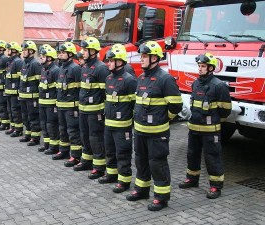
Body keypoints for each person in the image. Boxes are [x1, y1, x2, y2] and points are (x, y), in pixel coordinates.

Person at [125, 41, 182, 211]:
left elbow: (176, 106)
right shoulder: (141, 78)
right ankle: (141, 190)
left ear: (154, 58)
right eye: (141, 56)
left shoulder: (165, 79)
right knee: (141, 162)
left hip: (157, 133)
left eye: (144, 56)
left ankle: (161, 197)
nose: (141, 59)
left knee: (157, 164)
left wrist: (164, 119)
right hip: (140, 131)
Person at [178, 52, 231, 199]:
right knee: (192, 154)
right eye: (199, 66)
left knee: (212, 157)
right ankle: (192, 179)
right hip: (194, 129)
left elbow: (225, 110)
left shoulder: (219, 86)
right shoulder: (196, 83)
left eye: (203, 66)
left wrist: (214, 122)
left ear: (211, 68)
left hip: (210, 131)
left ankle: (215, 186)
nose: (200, 69)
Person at [98, 44, 137, 193]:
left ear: (120, 61)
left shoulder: (129, 80)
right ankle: (112, 175)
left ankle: (124, 180)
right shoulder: (108, 78)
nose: (108, 63)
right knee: (110, 150)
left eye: (111, 61)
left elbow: (135, 104)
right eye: (108, 61)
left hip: (123, 125)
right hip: (109, 123)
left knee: (123, 153)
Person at [73, 37, 109, 180]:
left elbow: (105, 93)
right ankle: (86, 161)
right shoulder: (85, 67)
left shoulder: (101, 68)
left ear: (93, 51)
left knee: (96, 138)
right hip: (84, 110)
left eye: (85, 50)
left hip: (95, 112)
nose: (82, 52)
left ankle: (99, 167)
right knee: (85, 136)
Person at [54, 42, 83, 165]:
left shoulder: (75, 68)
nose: (60, 55)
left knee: (73, 131)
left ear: (70, 54)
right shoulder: (62, 67)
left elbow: (80, 88)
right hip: (61, 104)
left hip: (71, 106)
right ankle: (64, 150)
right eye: (59, 53)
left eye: (63, 53)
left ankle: (76, 156)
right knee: (62, 129)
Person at [19, 41, 42, 146]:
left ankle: (35, 137)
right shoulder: (25, 63)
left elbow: (39, 81)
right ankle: (28, 134)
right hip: (24, 96)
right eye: (23, 50)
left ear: (31, 51)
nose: (23, 52)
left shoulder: (35, 64)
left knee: (33, 117)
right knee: (25, 116)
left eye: (25, 50)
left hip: (32, 97)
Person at [38, 47, 60, 154]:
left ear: (49, 58)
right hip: (42, 101)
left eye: (43, 56)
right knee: (44, 124)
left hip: (51, 103)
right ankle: (46, 144)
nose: (41, 58)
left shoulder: (56, 70)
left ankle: (54, 146)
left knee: (51, 125)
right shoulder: (43, 69)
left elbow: (57, 89)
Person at [4, 42, 24, 137]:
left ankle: (18, 129)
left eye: (9, 49)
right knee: (10, 110)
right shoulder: (10, 61)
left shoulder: (18, 62)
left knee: (16, 111)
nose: (7, 51)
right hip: (9, 91)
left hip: (15, 92)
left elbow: (21, 78)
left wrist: (19, 91)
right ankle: (13, 127)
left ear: (14, 51)